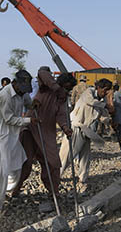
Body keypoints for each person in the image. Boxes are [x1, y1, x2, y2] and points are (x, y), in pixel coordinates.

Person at [12, 69, 74, 201]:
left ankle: (54, 191)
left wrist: (65, 128)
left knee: (53, 163)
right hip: (31, 128)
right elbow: (41, 72)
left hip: (46, 133)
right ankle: (15, 190)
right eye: (66, 88)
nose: (67, 92)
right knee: (27, 162)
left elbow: (61, 115)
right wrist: (57, 88)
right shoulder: (46, 87)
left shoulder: (62, 99)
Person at [0, 70, 35, 214]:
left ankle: (4, 190)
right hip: (0, 137)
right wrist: (29, 120)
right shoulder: (4, 96)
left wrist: (34, 105)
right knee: (0, 172)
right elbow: (9, 119)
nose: (24, 93)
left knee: (19, 164)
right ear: (15, 83)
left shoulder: (22, 93)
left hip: (12, 137)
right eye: (22, 89)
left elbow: (28, 103)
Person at [60, 79, 111, 186]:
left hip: (87, 129)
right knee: (67, 155)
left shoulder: (102, 100)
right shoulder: (89, 92)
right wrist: (106, 106)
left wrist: (109, 120)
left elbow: (103, 115)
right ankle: (56, 175)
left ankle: (82, 178)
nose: (106, 92)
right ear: (99, 88)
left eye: (108, 91)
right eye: (105, 90)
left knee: (85, 155)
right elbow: (91, 102)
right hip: (75, 127)